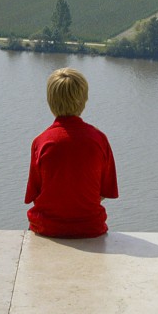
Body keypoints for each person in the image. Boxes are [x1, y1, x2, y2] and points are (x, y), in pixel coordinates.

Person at [24, 67, 118, 238]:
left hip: (47, 228)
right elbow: (105, 191)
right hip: (91, 228)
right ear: (84, 100)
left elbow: (34, 194)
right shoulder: (99, 140)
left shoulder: (41, 142)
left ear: (50, 101)